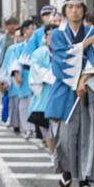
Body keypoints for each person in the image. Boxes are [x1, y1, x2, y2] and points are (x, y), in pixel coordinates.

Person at [45, 0, 94, 187]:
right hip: (65, 90)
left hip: (87, 89)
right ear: (65, 11)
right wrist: (84, 45)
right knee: (64, 136)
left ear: (84, 10)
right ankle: (66, 172)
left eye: (78, 7)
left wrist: (83, 80)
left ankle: (84, 177)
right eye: (70, 7)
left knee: (87, 134)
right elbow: (61, 59)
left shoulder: (92, 31)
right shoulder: (57, 34)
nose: (75, 11)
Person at [26, 25, 58, 165]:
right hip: (45, 94)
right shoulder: (39, 53)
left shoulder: (64, 52)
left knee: (60, 130)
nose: (52, 38)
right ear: (45, 37)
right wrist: (53, 74)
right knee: (49, 130)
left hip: (60, 94)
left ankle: (59, 155)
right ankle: (53, 155)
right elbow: (36, 71)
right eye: (49, 35)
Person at [6, 20, 37, 136]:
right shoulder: (19, 47)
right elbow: (14, 61)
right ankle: (27, 127)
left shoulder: (39, 44)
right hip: (25, 74)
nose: (32, 31)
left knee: (35, 102)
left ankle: (36, 127)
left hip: (37, 75)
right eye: (30, 28)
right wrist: (17, 74)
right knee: (24, 103)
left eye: (34, 28)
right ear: (24, 31)